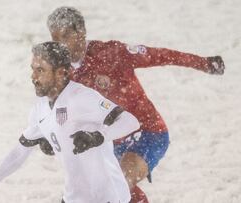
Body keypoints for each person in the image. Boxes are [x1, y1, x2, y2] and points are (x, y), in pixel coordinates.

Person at [37, 6, 226, 203]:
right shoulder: (63, 75)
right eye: (55, 39)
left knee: (117, 184)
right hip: (108, 142)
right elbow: (58, 112)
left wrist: (203, 63)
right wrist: (48, 137)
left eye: (65, 36)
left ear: (81, 31)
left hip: (148, 132)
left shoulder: (113, 53)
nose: (60, 45)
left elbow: (159, 55)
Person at [0, 41, 141, 203]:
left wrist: (98, 136)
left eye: (40, 70)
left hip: (107, 197)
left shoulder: (82, 97)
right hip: (73, 197)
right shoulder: (39, 110)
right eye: (33, 69)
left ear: (61, 72)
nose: (33, 77)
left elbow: (131, 121)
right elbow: (20, 151)